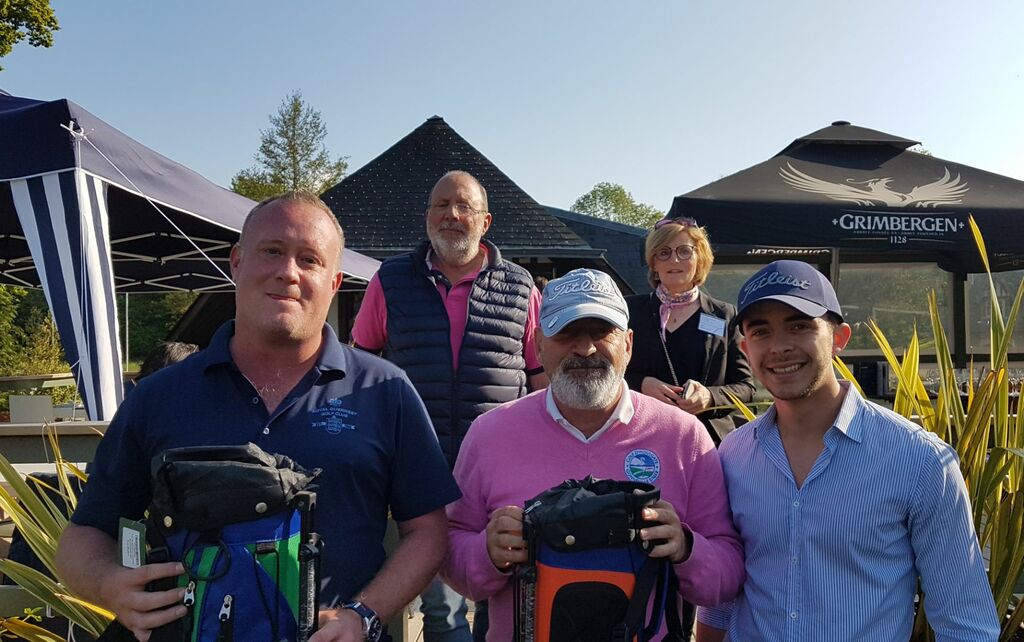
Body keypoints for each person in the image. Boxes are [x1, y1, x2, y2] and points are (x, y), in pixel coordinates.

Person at [56, 191, 460, 642]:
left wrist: (363, 614)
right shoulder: (158, 396)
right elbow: (85, 533)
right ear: (236, 262)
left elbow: (428, 532)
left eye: (309, 260)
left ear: (334, 282)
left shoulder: (384, 390)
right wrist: (108, 583)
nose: (288, 272)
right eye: (272, 251)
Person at [696, 260, 999, 642]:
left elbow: (965, 624)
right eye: (761, 331)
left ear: (839, 338)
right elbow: (724, 595)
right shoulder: (733, 455)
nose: (779, 346)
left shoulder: (919, 461)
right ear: (745, 348)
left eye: (799, 326)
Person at [443, 268, 744, 641]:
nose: (585, 349)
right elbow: (450, 554)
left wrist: (686, 549)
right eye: (567, 333)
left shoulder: (684, 436)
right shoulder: (490, 434)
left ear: (628, 344)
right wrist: (486, 553)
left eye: (602, 332)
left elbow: (728, 574)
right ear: (538, 345)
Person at [351, 170, 547, 642]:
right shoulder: (391, 280)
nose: (451, 215)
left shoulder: (521, 287)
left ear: (485, 221)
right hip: (420, 470)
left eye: (463, 207)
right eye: (441, 205)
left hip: (501, 470)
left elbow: (541, 377)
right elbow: (360, 367)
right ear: (427, 217)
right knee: (442, 611)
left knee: (502, 597)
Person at [625, 216, 754, 444]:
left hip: (706, 441)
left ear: (699, 258)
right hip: (642, 438)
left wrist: (710, 397)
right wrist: (640, 384)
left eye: (685, 251)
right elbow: (605, 374)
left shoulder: (724, 315)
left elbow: (746, 387)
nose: (674, 259)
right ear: (653, 263)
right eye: (663, 252)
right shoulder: (629, 312)